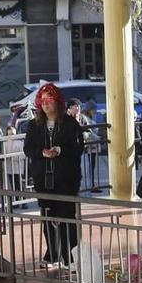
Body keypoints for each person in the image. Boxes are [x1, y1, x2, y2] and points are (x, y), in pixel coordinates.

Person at [25, 83, 85, 268]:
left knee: (68, 217)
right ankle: (52, 253)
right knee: (48, 218)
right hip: (44, 179)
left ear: (57, 102)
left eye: (49, 100)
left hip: (66, 179)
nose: (45, 104)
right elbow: (28, 148)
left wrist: (60, 150)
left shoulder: (70, 123)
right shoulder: (34, 125)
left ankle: (71, 256)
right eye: (42, 101)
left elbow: (78, 147)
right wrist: (42, 152)